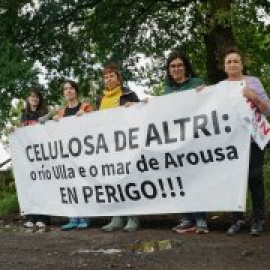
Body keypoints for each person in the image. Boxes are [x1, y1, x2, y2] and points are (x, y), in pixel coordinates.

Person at [220, 47, 270, 236]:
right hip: (232, 142)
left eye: (236, 61)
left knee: (255, 177)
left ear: (242, 64)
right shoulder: (220, 87)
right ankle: (237, 218)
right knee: (234, 179)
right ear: (224, 67)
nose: (232, 64)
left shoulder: (253, 82)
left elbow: (267, 110)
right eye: (229, 62)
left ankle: (258, 219)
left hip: (254, 139)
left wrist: (254, 97)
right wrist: (201, 93)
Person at [164, 50, 209, 234]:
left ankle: (200, 218)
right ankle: (186, 218)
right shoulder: (167, 90)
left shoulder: (197, 84)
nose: (176, 69)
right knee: (180, 179)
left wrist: (205, 93)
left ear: (186, 67)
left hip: (195, 139)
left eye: (179, 65)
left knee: (196, 178)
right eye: (173, 66)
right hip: (176, 142)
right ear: (168, 69)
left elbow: (210, 103)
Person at [98, 63, 141, 232]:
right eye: (106, 77)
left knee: (129, 179)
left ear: (118, 78)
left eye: (112, 76)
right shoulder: (100, 99)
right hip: (108, 146)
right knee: (113, 180)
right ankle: (117, 217)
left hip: (126, 143)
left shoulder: (129, 94)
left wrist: (135, 107)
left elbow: (141, 115)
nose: (109, 79)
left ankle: (133, 217)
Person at [53, 79, 94, 231]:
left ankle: (85, 216)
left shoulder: (85, 107)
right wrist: (55, 123)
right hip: (68, 156)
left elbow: (98, 124)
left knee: (83, 185)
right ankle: (73, 217)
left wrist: (87, 115)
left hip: (84, 153)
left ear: (76, 91)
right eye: (65, 89)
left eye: (71, 88)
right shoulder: (61, 113)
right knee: (70, 186)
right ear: (64, 93)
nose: (68, 91)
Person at [20, 86, 51, 231]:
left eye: (37, 97)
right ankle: (31, 217)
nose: (35, 99)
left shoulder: (44, 113)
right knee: (31, 187)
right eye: (32, 96)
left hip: (43, 156)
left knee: (44, 187)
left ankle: (43, 218)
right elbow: (21, 134)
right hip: (29, 158)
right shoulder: (24, 115)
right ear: (28, 99)